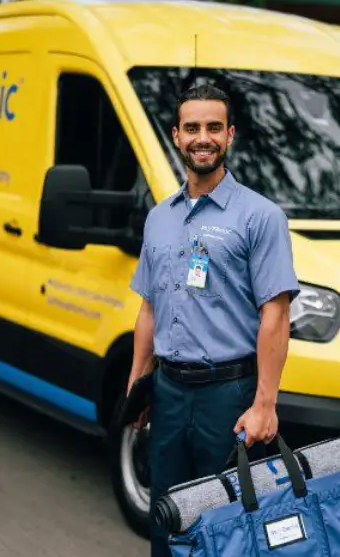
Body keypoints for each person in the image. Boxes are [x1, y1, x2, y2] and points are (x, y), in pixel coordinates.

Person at [126, 83, 300, 556]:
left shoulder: (260, 216)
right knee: (167, 516)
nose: (203, 137)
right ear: (176, 137)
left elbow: (276, 314)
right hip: (168, 392)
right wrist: (138, 385)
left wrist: (265, 403)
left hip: (229, 396)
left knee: (230, 523)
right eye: (192, 128)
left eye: (213, 128)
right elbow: (148, 308)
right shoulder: (159, 217)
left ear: (229, 136)